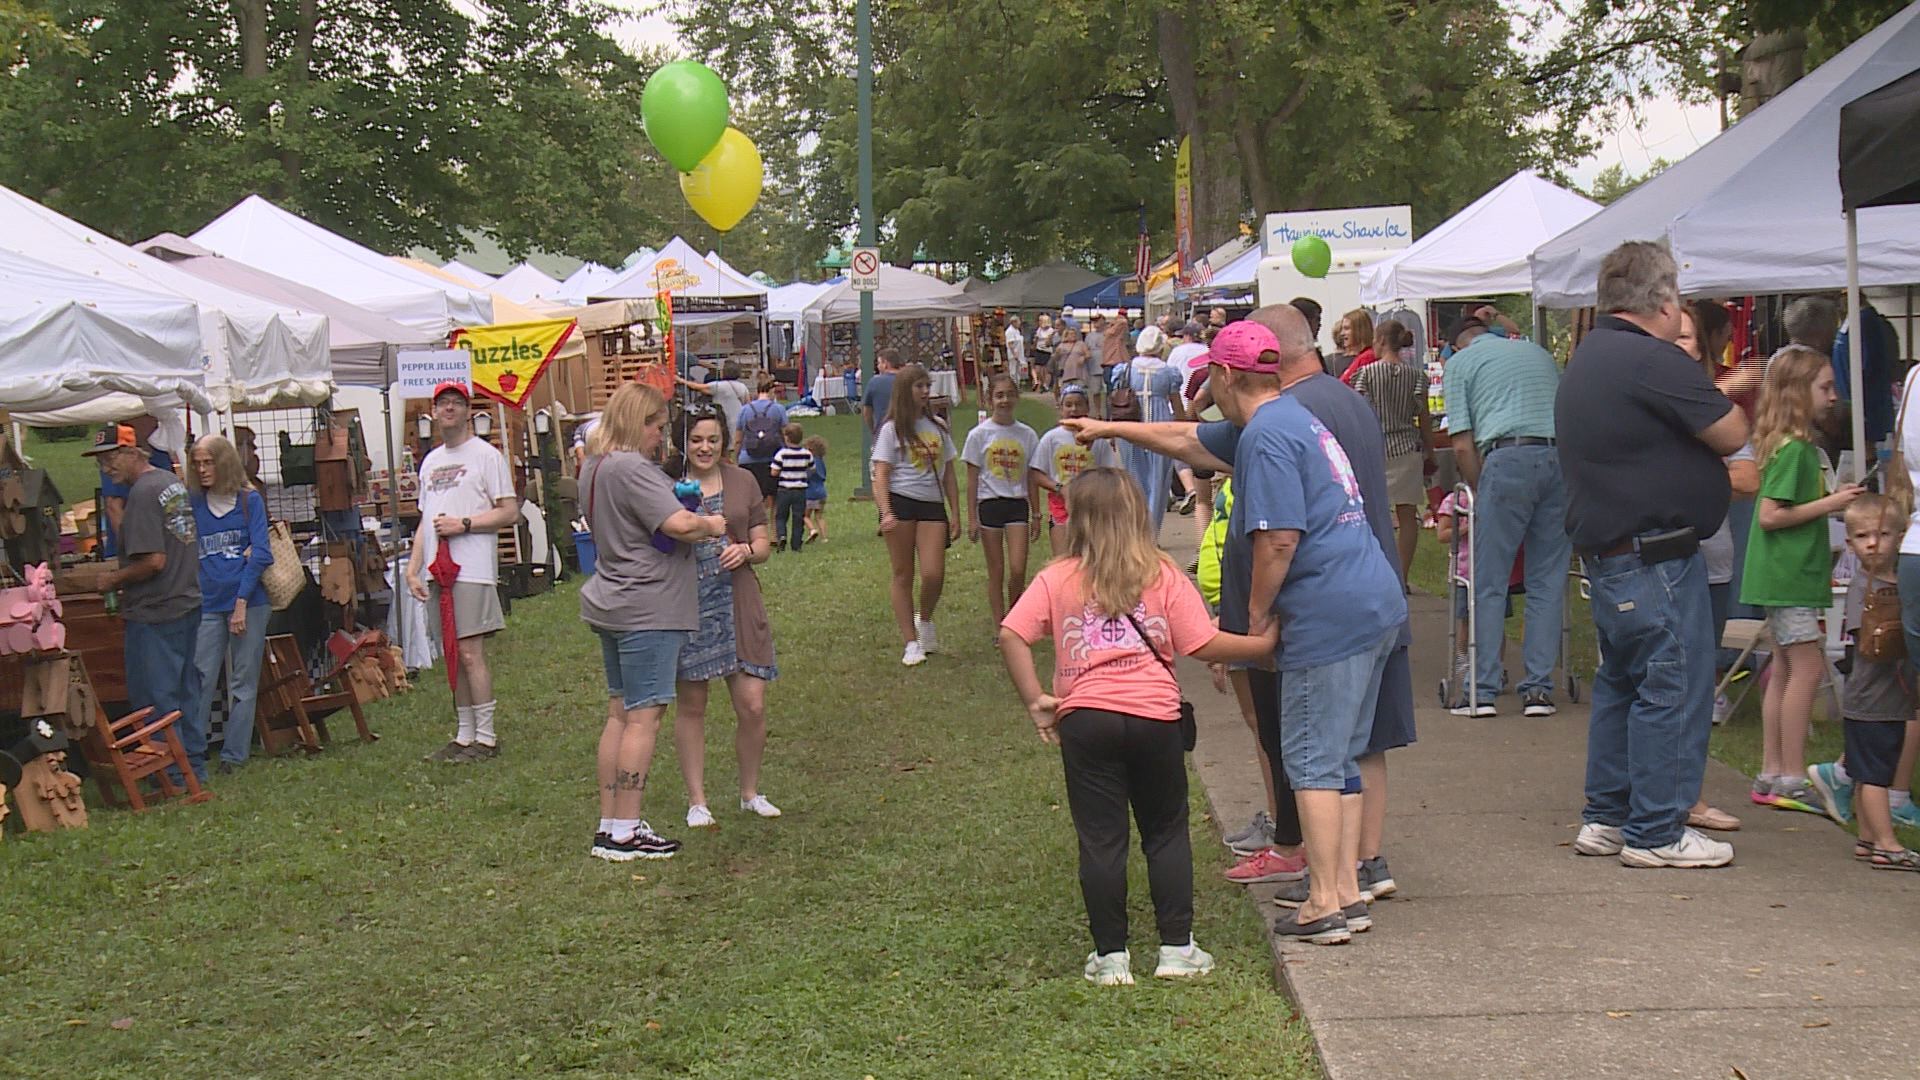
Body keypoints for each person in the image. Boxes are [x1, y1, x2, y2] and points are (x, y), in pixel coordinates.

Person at [1067, 308, 1418, 919]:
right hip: (1375, 603)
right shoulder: (1293, 416)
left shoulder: (1267, 437)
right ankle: (1349, 888)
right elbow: (1187, 440)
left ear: (1226, 377)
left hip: (1329, 614)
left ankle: (1325, 903)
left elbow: (1278, 539)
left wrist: (1256, 617)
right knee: (1342, 759)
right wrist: (1108, 429)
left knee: (1308, 760)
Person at [998, 468, 1278, 985]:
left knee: (1101, 839)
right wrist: (1261, 647)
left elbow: (1012, 632)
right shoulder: (1163, 573)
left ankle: (1111, 958)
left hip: (1086, 719)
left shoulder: (1057, 578)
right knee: (1166, 831)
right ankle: (1176, 948)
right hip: (1155, 718)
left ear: (1078, 519)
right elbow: (1202, 644)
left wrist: (1036, 699)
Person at [1557, 240, 1750, 869]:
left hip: (1613, 554)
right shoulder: (1650, 359)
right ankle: (1658, 830)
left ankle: (1607, 816)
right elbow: (1731, 431)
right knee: (1671, 684)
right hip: (1656, 556)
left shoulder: (1592, 356)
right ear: (1663, 302)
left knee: (1622, 682)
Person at [579, 384, 729, 861]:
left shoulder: (593, 466)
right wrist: (711, 524)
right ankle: (625, 830)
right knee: (645, 717)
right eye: (657, 428)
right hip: (647, 606)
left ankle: (610, 821)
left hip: (611, 600)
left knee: (619, 713)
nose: (660, 438)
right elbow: (677, 526)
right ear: (637, 422)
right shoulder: (630, 467)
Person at [1740, 346, 1863, 812]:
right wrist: (1833, 504)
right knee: (1807, 668)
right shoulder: (1796, 450)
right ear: (1798, 393)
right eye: (1825, 387)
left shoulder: (1784, 445)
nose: (1834, 396)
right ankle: (1792, 776)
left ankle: (1772, 771)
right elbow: (1772, 515)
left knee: (1785, 668)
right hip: (1788, 574)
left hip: (1782, 575)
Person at [1443, 311, 1571, 718]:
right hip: (1558, 460)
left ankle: (1482, 686)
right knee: (1547, 580)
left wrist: (1480, 490)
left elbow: (1462, 446)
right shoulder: (1536, 352)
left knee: (1488, 578)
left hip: (1507, 457)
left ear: (1455, 345)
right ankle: (1538, 688)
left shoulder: (1460, 365)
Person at [671, 412, 783, 829]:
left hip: (738, 600)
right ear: (684, 442)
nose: (704, 447)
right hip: (689, 603)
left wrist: (747, 552)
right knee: (693, 704)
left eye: (712, 440)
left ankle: (750, 793)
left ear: (724, 442)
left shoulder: (743, 481)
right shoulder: (667, 485)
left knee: (752, 704)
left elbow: (763, 541)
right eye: (697, 439)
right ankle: (697, 800)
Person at [405, 382, 519, 763]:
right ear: (434, 412)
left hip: (470, 568)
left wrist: (465, 524)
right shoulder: (430, 462)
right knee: (452, 652)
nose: (449, 409)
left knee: (471, 652)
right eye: (443, 404)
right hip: (439, 571)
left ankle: (486, 737)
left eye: (456, 403)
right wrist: (413, 567)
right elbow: (425, 519)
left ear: (468, 411)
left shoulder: (487, 457)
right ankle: (464, 735)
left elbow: (509, 511)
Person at [1673, 301, 1755, 831]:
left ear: (1702, 349)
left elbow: (1748, 480)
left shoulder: (1711, 406)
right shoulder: (1641, 405)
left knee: (1698, 682)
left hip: (1710, 562)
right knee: (1656, 682)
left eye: (1686, 338)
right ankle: (1655, 792)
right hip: (1652, 562)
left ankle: (1690, 793)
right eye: (1669, 335)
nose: (1676, 345)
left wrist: (1683, 482)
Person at [87, 423, 204, 782]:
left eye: (110, 459)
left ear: (133, 452)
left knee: (157, 700)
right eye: (101, 463)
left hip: (155, 611)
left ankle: (171, 776)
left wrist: (112, 579)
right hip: (186, 600)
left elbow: (153, 561)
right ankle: (194, 768)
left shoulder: (141, 494)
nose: (106, 469)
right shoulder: (169, 483)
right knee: (186, 694)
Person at [1814, 496, 1920, 869]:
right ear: (1850, 543)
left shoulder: (1894, 581)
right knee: (1876, 775)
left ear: (1901, 537)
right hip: (1873, 699)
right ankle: (1888, 844)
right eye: (1862, 536)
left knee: (1868, 770)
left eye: (1882, 534)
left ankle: (1867, 838)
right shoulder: (1868, 585)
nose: (1873, 543)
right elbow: (1874, 642)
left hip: (1885, 699)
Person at [186, 435, 273, 774]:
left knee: (242, 680)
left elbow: (261, 553)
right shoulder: (195, 503)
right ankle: (194, 754)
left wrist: (240, 602)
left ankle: (234, 756)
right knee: (201, 676)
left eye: (209, 463)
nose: (203, 470)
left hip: (248, 603)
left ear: (224, 463)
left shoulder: (249, 501)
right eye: (198, 464)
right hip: (208, 603)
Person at [873, 364, 961, 666]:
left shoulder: (937, 426)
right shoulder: (891, 429)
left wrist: (956, 511)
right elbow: (881, 474)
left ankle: (925, 618)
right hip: (901, 501)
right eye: (919, 386)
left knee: (934, 573)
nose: (925, 392)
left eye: (927, 385)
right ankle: (910, 641)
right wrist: (885, 511)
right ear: (904, 391)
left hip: (932, 504)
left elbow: (949, 471)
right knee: (903, 573)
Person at [1353, 319, 1431, 587]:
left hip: (1375, 449)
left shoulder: (1367, 374)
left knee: (1374, 514)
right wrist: (1430, 450)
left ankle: (1377, 575)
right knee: (1408, 516)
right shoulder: (1416, 376)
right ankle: (1402, 576)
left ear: (1381, 340)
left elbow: (1360, 414)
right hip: (1408, 447)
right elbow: (1424, 416)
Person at [963, 374, 1040, 633]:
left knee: (1018, 568)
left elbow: (1032, 476)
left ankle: (1015, 618)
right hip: (989, 504)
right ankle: (1000, 625)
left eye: (1009, 394)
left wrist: (1037, 514)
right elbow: (972, 479)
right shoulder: (978, 435)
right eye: (999, 395)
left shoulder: (1027, 434)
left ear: (1016, 398)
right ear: (989, 399)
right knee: (996, 570)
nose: (1004, 400)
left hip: (1017, 503)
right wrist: (971, 517)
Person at [1113, 325, 1185, 537]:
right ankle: (1152, 533)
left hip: (1131, 423)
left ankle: (1137, 530)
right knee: (1159, 480)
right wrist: (1182, 425)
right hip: (1161, 426)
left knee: (1134, 477)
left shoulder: (1125, 369)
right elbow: (1176, 404)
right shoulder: (1167, 371)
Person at [1032, 385, 1120, 556]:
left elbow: (1110, 473)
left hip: (1091, 505)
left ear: (1087, 408)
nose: (1074, 409)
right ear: (1060, 409)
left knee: (1090, 558)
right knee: (1064, 559)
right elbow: (1036, 473)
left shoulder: (1098, 439)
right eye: (1068, 405)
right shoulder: (1051, 438)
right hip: (1060, 504)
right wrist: (1059, 488)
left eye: (1079, 404)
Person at [736, 377, 789, 521]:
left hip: (748, 459)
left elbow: (738, 438)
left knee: (752, 497)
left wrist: (736, 457)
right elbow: (786, 434)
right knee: (774, 497)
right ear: (771, 391)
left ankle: (756, 528)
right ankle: (773, 533)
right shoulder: (778, 409)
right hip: (773, 459)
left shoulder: (745, 410)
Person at [675, 362, 753, 436]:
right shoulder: (743, 386)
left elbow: (697, 386)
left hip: (724, 419)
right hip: (739, 420)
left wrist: (680, 380)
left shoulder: (719, 386)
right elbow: (748, 404)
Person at [770, 423, 814, 553]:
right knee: (798, 517)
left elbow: (774, 472)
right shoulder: (807, 454)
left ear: (787, 438)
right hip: (800, 490)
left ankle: (782, 536)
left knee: (781, 516)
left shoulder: (782, 454)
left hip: (784, 489)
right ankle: (796, 544)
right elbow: (812, 469)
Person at [861, 348, 901, 438]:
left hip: (883, 431)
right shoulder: (910, 380)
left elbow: (867, 412)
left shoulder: (875, 382)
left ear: (885, 364)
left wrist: (873, 430)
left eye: (879, 363)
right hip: (908, 430)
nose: (878, 367)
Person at [1336, 312, 1380, 385]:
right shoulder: (1363, 356)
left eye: (1346, 328)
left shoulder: (1367, 357)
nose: (1342, 333)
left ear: (1359, 330)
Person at [802, 434, 829, 543]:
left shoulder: (810, 462)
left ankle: (812, 530)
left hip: (810, 492)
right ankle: (824, 537)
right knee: (819, 516)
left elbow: (807, 475)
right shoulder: (821, 461)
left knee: (804, 515)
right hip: (822, 492)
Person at [1054, 324, 1091, 395]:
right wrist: (1057, 353)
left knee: (1080, 394)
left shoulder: (1081, 344)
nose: (1073, 335)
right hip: (1066, 374)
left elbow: (1088, 354)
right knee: (1065, 394)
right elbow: (1056, 358)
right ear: (1066, 335)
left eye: (1074, 334)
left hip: (1078, 374)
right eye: (1071, 334)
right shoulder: (1061, 345)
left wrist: (1083, 357)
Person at [1031, 313, 1058, 392]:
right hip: (1039, 350)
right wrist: (1035, 342)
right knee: (1038, 369)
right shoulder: (1039, 330)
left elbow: (1050, 342)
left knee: (1046, 369)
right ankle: (1042, 383)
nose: (1039, 322)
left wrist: (1049, 337)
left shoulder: (1051, 330)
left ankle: (1046, 385)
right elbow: (1036, 340)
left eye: (1040, 320)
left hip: (1047, 351)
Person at [1004, 315, 1028, 387]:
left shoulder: (1017, 331)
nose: (1019, 323)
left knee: (1019, 371)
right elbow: (1010, 343)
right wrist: (1014, 354)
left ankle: (1017, 386)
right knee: (1013, 371)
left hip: (1020, 354)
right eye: (1018, 322)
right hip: (1014, 354)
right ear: (1014, 322)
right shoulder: (1010, 331)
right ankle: (1013, 385)